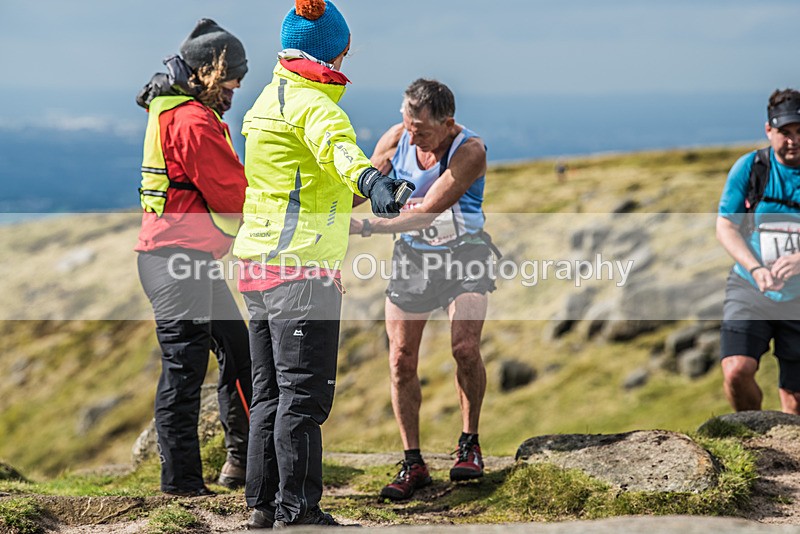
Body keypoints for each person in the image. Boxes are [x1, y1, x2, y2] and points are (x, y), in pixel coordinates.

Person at [232, 0, 413, 528]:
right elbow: (337, 149)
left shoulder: (269, 99)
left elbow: (309, 178)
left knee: (268, 394)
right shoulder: (316, 104)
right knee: (304, 398)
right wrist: (375, 182)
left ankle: (262, 507)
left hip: (257, 266)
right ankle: (299, 510)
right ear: (331, 50)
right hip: (302, 271)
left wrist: (364, 184)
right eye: (346, 48)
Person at [350, 79, 497, 501]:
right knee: (400, 359)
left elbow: (424, 213)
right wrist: (320, 209)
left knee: (465, 348)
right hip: (413, 260)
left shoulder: (469, 151)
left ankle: (469, 444)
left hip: (464, 255)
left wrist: (361, 228)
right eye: (408, 124)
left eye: (423, 130)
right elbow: (361, 189)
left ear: (447, 123)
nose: (413, 136)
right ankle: (412, 462)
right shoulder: (398, 137)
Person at [135, 18, 253, 496]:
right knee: (184, 372)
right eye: (231, 80)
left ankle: (242, 462)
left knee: (237, 349)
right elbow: (233, 195)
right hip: (176, 260)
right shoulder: (193, 121)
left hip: (184, 259)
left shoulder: (173, 111)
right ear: (208, 71)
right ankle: (181, 485)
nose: (235, 90)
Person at [717, 88, 800, 416]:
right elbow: (726, 225)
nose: (793, 140)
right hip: (750, 286)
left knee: (794, 402)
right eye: (785, 132)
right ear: (769, 130)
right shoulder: (751, 168)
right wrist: (755, 268)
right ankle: (748, 433)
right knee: (737, 370)